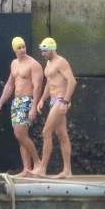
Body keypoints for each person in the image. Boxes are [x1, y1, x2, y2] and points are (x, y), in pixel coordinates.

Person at [0, 37, 43, 176]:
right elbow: (10, 85)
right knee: (21, 137)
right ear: (14, 49)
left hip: (27, 100)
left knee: (20, 133)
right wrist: (0, 102)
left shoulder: (33, 64)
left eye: (23, 47)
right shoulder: (14, 64)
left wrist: (33, 106)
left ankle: (38, 162)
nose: (22, 50)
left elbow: (38, 87)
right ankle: (26, 169)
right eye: (19, 48)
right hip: (16, 102)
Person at [33, 38, 77, 179]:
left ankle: (42, 169)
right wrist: (42, 99)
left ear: (52, 49)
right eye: (42, 51)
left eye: (45, 51)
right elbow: (49, 83)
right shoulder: (48, 63)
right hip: (53, 100)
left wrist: (65, 101)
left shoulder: (61, 62)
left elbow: (72, 81)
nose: (42, 53)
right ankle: (67, 171)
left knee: (46, 131)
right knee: (62, 135)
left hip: (60, 99)